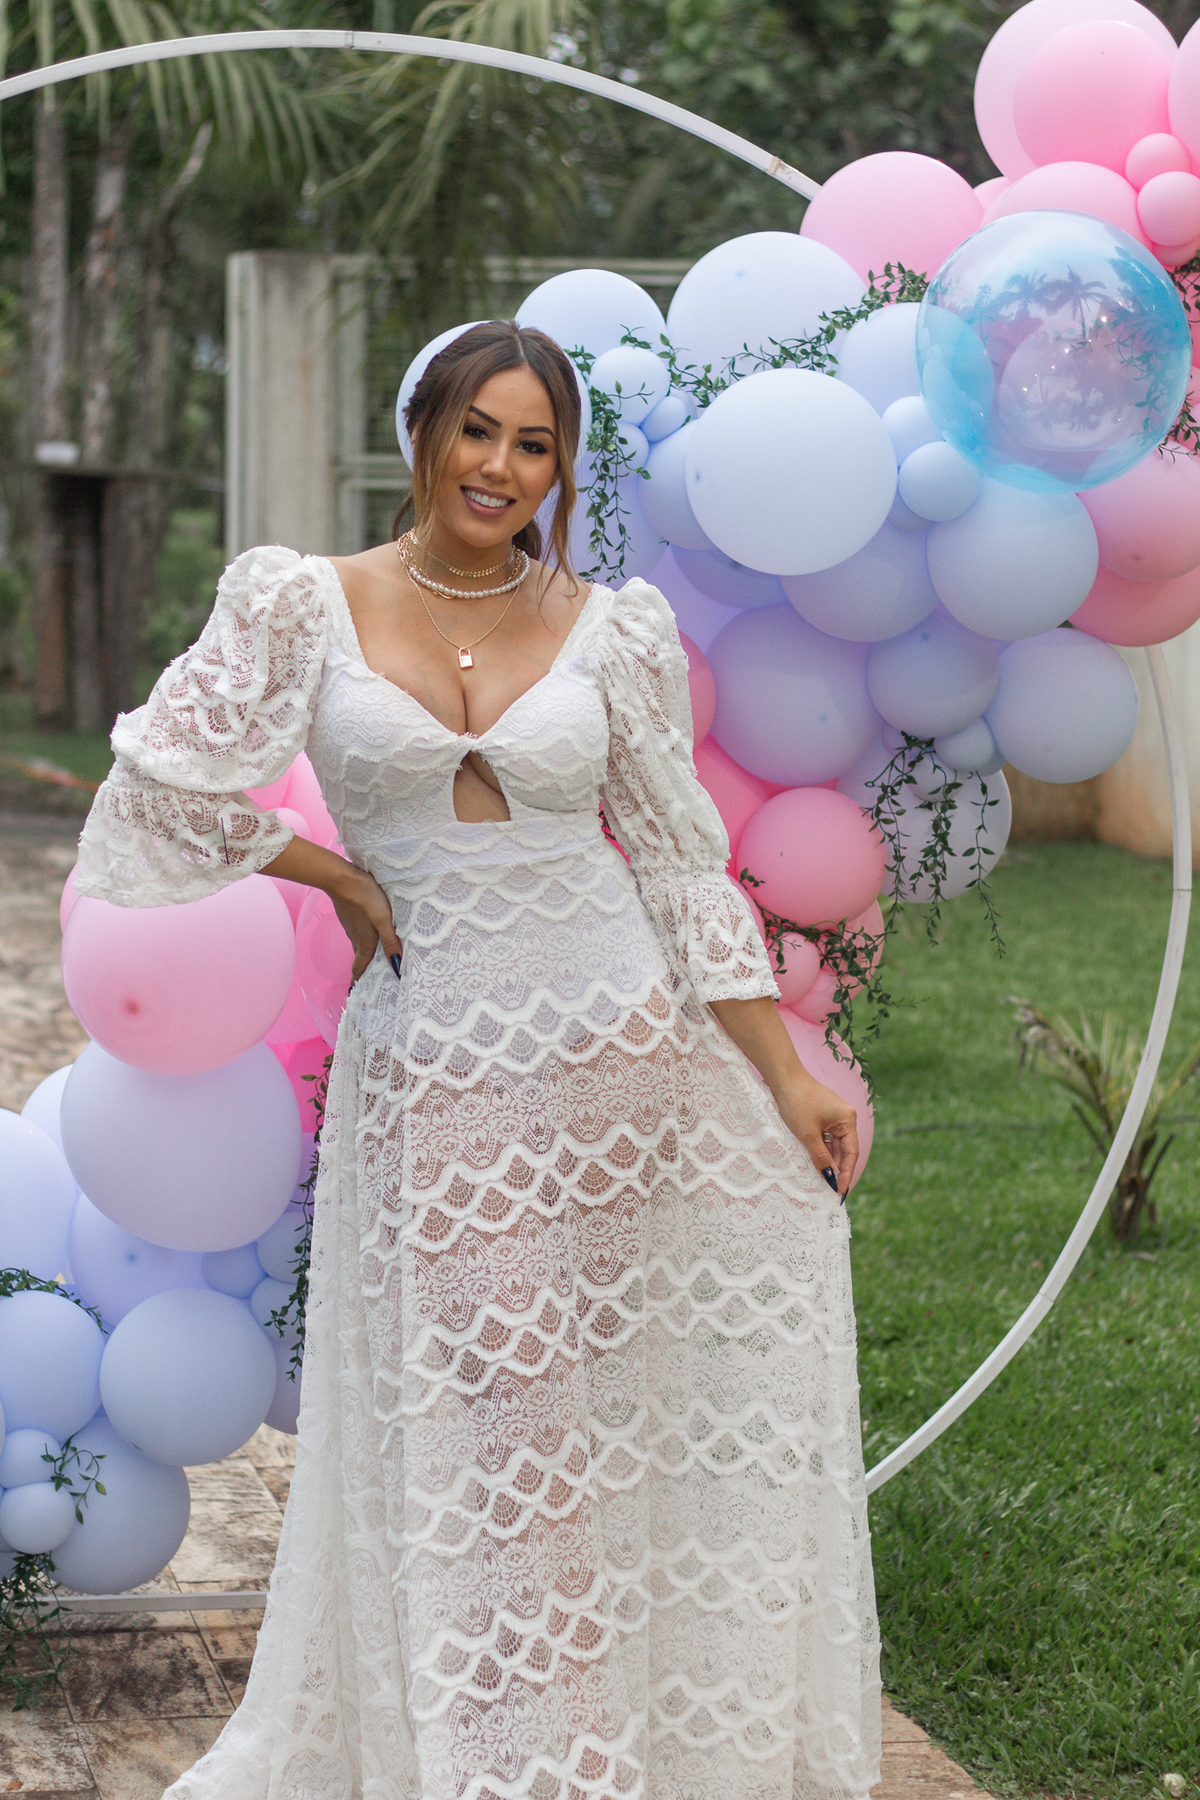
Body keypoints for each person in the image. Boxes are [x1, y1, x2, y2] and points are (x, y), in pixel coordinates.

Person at [76, 319, 881, 1800]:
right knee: (491, 1420)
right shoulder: (301, 602)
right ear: (423, 433)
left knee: (601, 1417)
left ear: (560, 468)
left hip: (619, 1054)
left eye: (535, 444)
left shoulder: (613, 628)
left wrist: (784, 1076)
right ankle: (514, 1759)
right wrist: (334, 873)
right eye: (478, 430)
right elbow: (154, 797)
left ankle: (606, 1747)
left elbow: (682, 867)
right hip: (436, 1060)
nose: (501, 466)